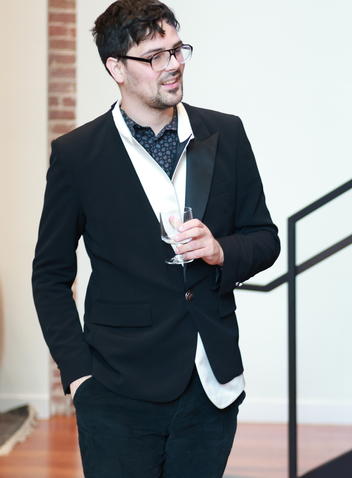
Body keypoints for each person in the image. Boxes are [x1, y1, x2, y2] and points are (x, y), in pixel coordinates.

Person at [31, 1, 279, 476]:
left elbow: (264, 238)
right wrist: (80, 374)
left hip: (212, 385)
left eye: (177, 50)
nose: (174, 65)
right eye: (154, 56)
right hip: (115, 390)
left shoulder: (225, 133)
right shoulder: (77, 155)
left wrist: (221, 249)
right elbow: (50, 275)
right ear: (116, 68)